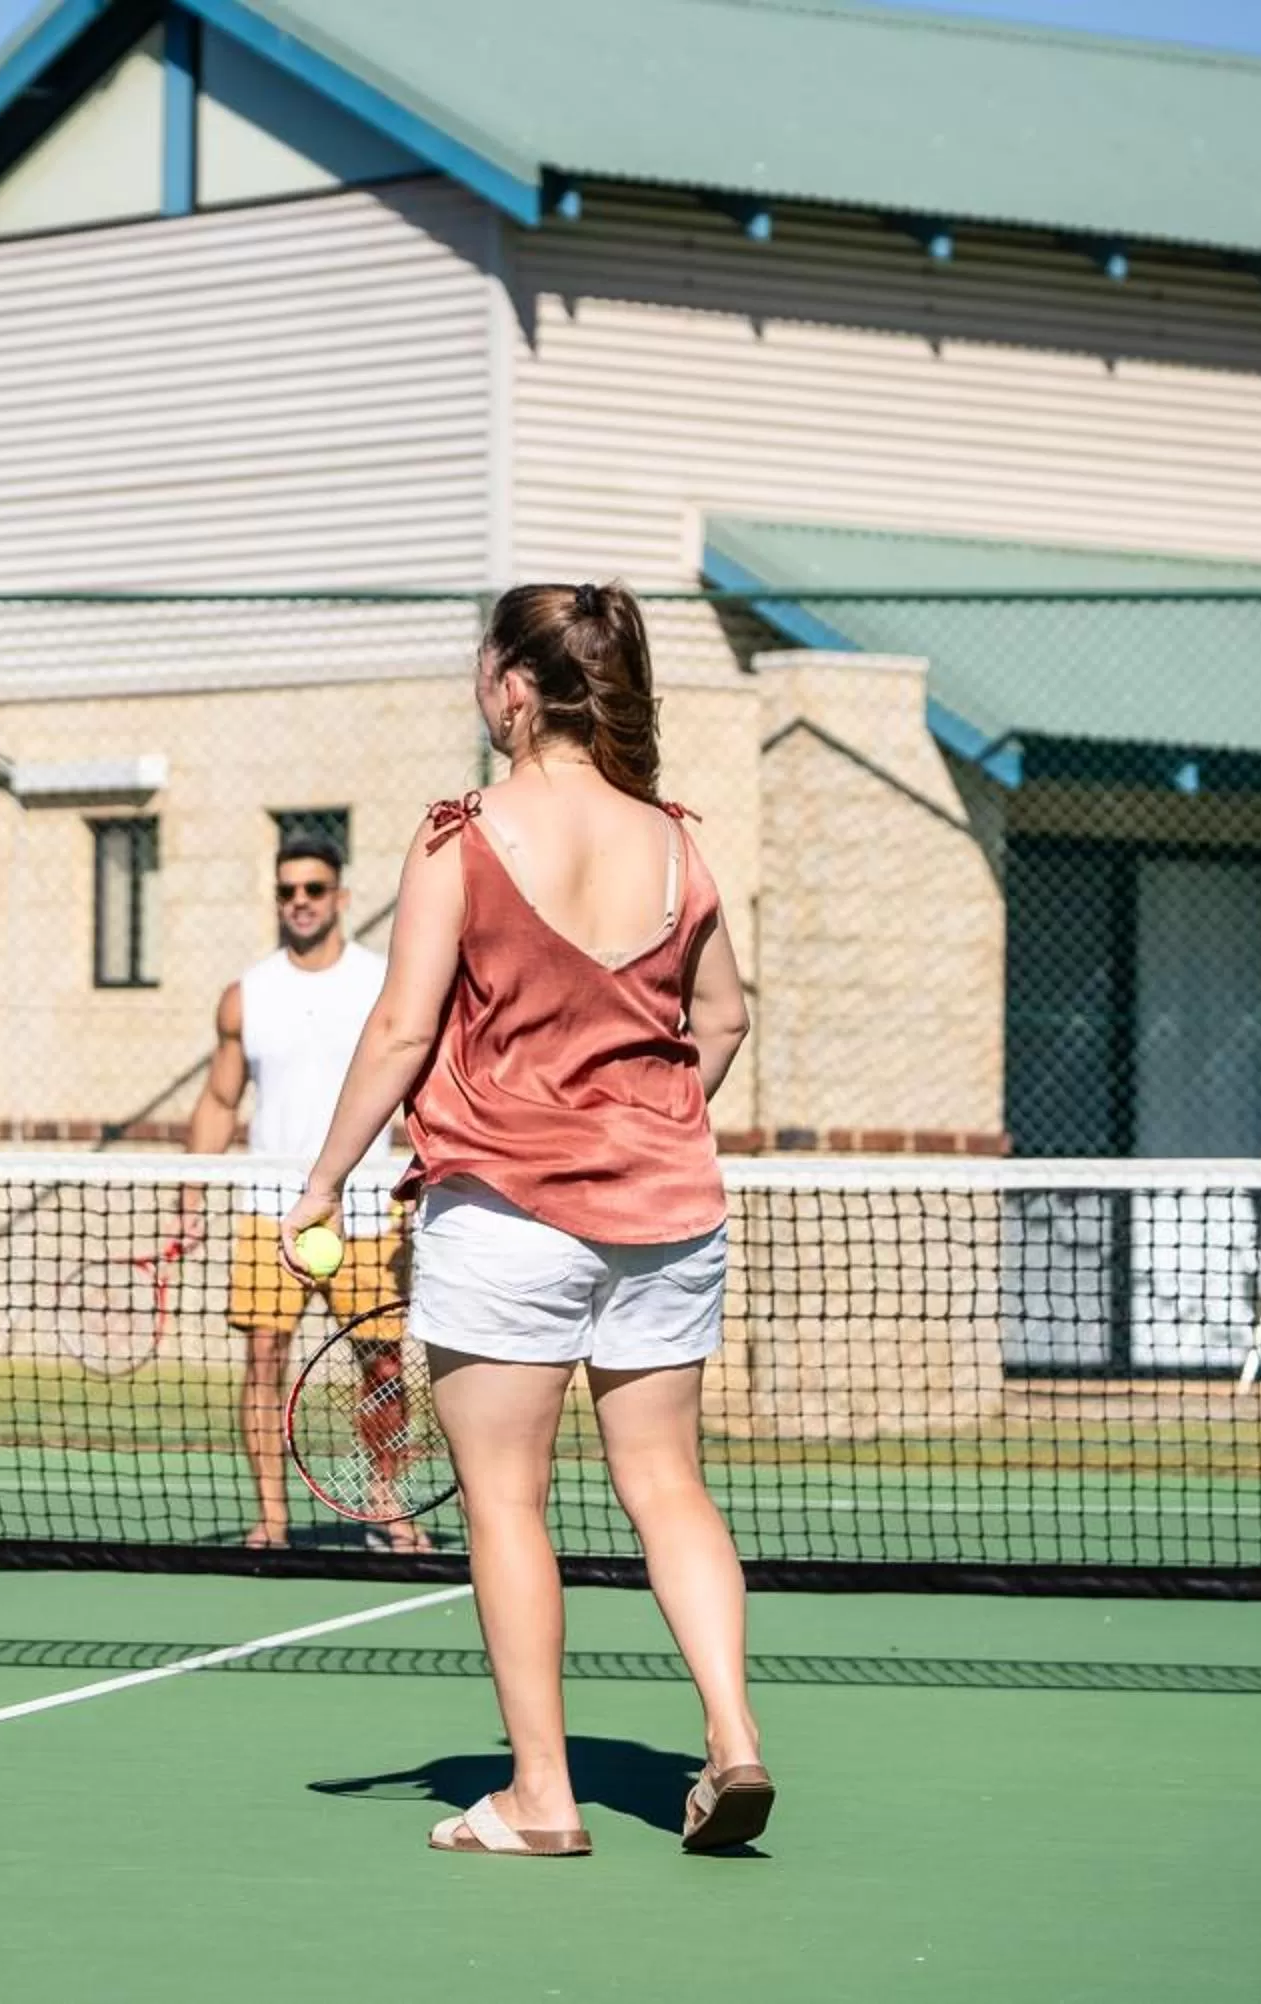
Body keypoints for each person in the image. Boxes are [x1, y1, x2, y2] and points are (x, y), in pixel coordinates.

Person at [279, 581, 769, 1859]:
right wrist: (643, 1119)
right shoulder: (678, 843)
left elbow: (399, 1027)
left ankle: (542, 1800)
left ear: (510, 685)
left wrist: (323, 1181)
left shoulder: (461, 837)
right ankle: (734, 1741)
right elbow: (721, 1021)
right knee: (667, 1482)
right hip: (668, 1211)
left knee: (507, 1502)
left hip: (503, 1213)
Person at [178, 834, 415, 1551]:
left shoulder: (386, 983)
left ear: (340, 897)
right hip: (267, 1213)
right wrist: (189, 1195)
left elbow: (418, 1078)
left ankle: (387, 1506)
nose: (300, 903)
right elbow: (220, 1101)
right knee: (264, 1363)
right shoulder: (246, 995)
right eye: (287, 891)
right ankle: (273, 1521)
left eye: (314, 889)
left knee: (383, 1364)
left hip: (368, 1212)